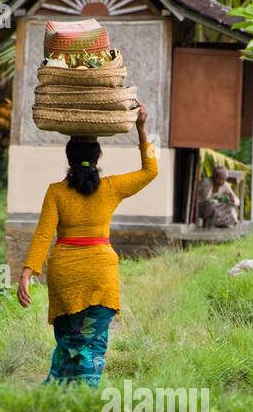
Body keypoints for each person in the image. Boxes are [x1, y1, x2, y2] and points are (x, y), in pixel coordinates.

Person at [17, 102, 157, 385]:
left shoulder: (55, 191)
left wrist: (27, 272)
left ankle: (59, 396)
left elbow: (44, 234)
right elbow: (150, 170)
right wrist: (141, 128)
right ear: (97, 158)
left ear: (69, 158)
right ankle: (86, 399)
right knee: (92, 344)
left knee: (67, 343)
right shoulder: (111, 188)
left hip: (65, 275)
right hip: (99, 276)